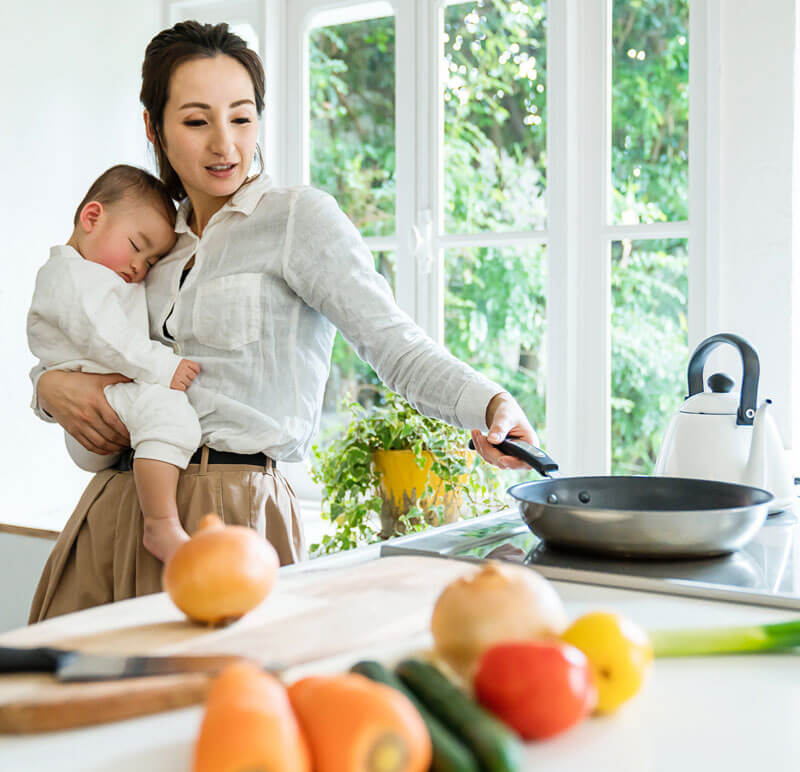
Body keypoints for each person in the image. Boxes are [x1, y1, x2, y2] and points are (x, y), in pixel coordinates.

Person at [28, 20, 538, 623]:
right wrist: (47, 389)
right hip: (111, 509)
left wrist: (488, 404)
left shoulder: (299, 219)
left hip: (232, 515)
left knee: (227, 710)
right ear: (153, 127)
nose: (225, 145)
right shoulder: (151, 241)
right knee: (66, 710)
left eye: (241, 118)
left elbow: (392, 341)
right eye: (197, 121)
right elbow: (77, 333)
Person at [27, 165, 202, 564]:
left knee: (163, 413)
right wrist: (162, 367)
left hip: (99, 413)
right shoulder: (73, 276)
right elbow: (107, 338)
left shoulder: (97, 275)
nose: (140, 266)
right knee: (171, 411)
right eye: (136, 246)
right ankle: (161, 524)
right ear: (92, 217)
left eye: (152, 260)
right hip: (96, 407)